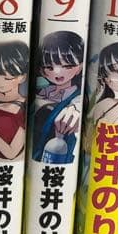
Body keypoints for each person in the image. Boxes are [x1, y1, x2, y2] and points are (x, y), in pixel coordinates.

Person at [31, 31, 84, 163]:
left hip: (56, 155)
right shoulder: (43, 90)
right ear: (42, 70)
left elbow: (77, 106)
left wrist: (75, 110)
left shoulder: (76, 97)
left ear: (80, 67)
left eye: (67, 66)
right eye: (49, 67)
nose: (58, 72)